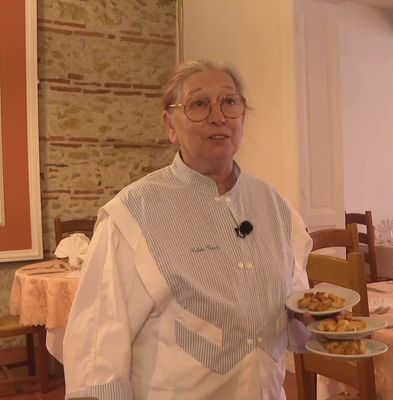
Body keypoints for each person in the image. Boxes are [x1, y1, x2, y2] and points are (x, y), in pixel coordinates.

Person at [63, 59, 312, 399]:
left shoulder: (277, 209)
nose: (218, 116)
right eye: (198, 104)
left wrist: (309, 321)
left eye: (229, 102)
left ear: (243, 117)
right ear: (170, 125)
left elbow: (295, 314)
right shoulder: (132, 216)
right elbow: (96, 354)